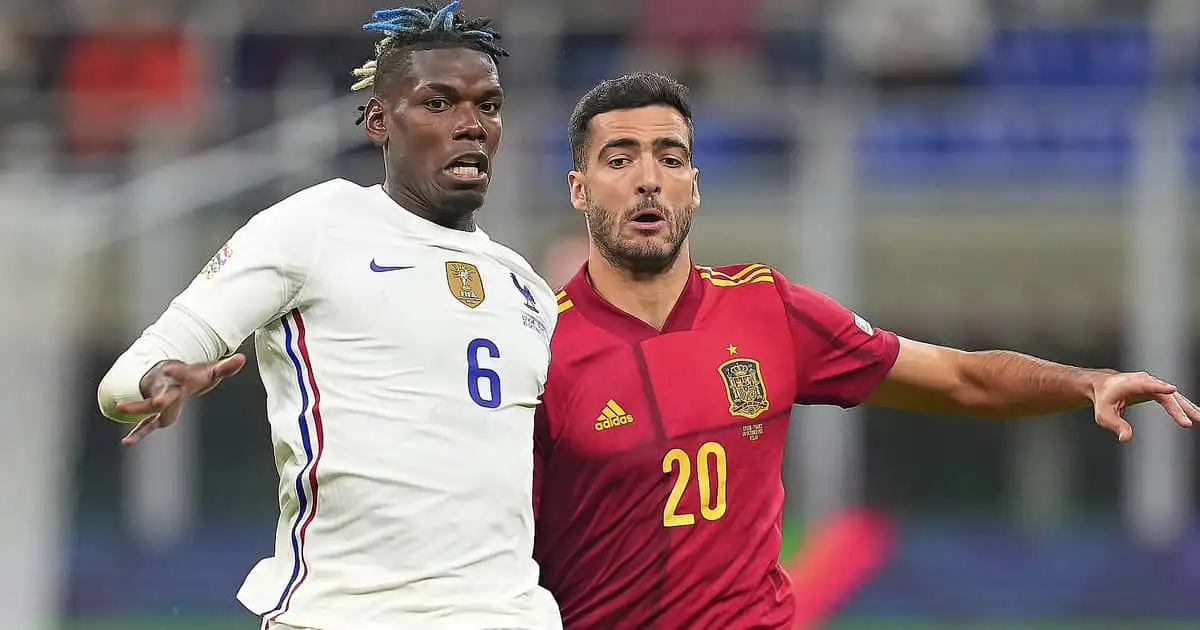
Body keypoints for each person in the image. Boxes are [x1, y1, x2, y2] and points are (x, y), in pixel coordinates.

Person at [532, 72, 1199, 630]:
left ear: (695, 186)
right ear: (579, 189)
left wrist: (1085, 382)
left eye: (670, 158)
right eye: (619, 159)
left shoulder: (768, 308)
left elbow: (961, 379)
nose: (648, 179)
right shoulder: (533, 351)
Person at [96, 3, 562, 629]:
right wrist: (156, 381)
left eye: (488, 105)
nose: (472, 125)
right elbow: (130, 374)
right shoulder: (315, 226)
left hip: (506, 617)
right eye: (439, 103)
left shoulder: (524, 285)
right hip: (345, 613)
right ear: (378, 121)